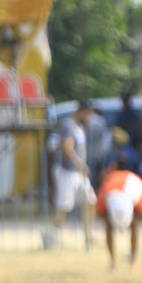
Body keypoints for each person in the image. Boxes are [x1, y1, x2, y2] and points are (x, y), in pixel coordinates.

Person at [51, 100, 97, 248]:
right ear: (81, 111)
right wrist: (81, 164)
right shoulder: (69, 125)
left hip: (78, 172)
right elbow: (67, 149)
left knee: (91, 200)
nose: (89, 118)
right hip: (67, 171)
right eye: (88, 114)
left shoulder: (79, 126)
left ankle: (89, 235)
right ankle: (55, 238)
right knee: (63, 206)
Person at [96, 162, 142, 272]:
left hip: (119, 202)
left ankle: (113, 263)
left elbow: (100, 212)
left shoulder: (111, 183)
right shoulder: (134, 182)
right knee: (135, 228)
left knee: (109, 229)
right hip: (117, 202)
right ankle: (133, 263)